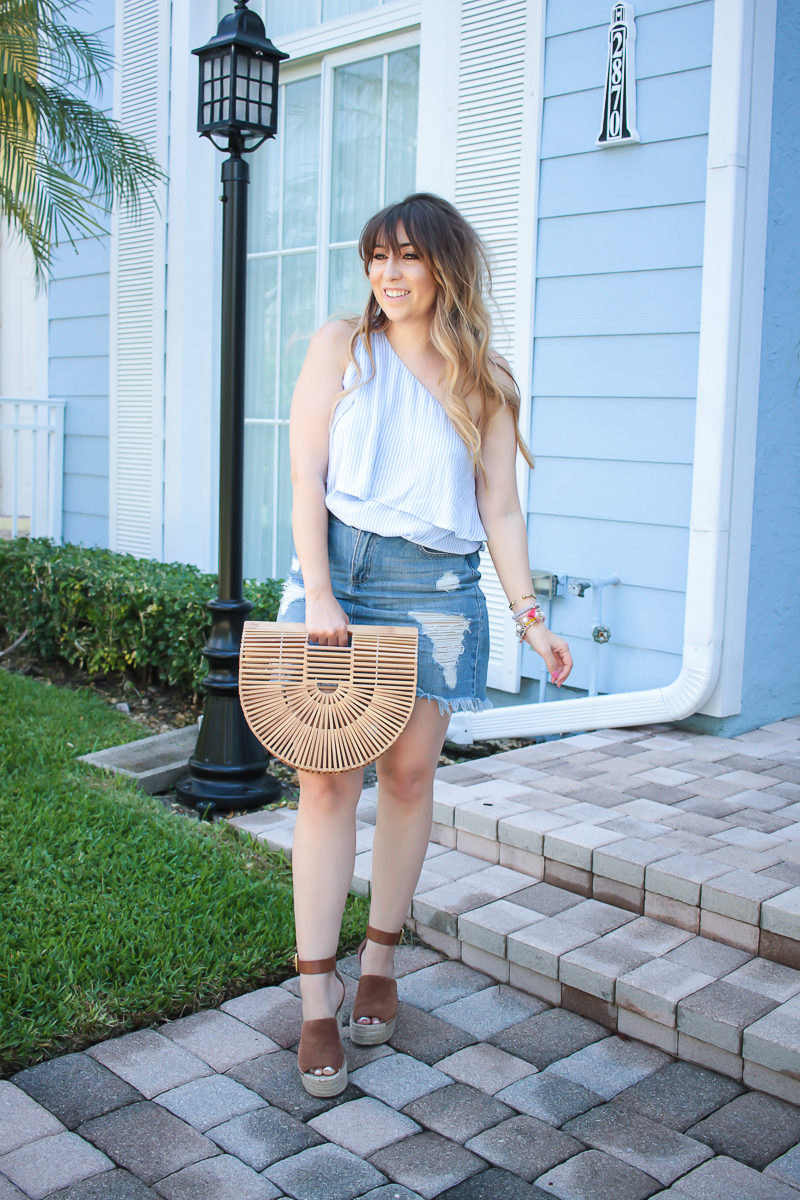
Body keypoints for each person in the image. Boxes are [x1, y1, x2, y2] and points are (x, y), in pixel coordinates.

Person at [277, 192, 572, 1096]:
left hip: (437, 590)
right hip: (341, 577)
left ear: (446, 267)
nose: (389, 274)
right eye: (376, 257)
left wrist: (531, 618)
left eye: (407, 257)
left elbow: (500, 508)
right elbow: (304, 474)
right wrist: (319, 589)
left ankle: (380, 960)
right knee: (327, 779)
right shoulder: (340, 346)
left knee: (407, 778)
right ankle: (317, 999)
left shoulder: (485, 378)